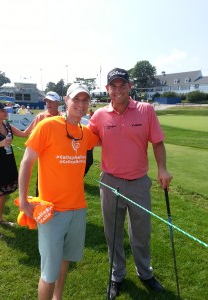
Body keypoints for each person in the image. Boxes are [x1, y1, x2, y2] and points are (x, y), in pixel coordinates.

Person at [89, 68, 173, 298]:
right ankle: (117, 275)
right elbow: (86, 140)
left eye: (122, 85)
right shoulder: (99, 115)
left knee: (141, 232)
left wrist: (162, 168)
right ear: (107, 89)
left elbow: (157, 142)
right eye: (113, 86)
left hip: (138, 183)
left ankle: (145, 273)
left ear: (130, 86)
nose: (118, 90)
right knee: (112, 232)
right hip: (110, 182)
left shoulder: (145, 110)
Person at [18, 83, 99, 300]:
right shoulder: (47, 126)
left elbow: (107, 138)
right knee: (49, 272)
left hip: (78, 210)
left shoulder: (86, 132)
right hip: (51, 212)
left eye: (85, 100)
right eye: (76, 99)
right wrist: (24, 201)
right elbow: (26, 163)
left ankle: (58, 298)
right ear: (66, 100)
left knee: (65, 261)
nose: (81, 105)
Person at [0, 100, 29, 239]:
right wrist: (0, 144)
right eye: (3, 110)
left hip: (8, 164)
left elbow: (24, 134)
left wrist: (38, 120)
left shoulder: (6, 125)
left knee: (4, 194)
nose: (6, 112)